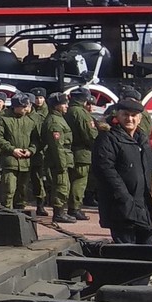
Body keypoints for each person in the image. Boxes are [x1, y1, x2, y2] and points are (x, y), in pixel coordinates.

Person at [92, 99, 152, 244]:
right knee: (127, 248)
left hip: (142, 203)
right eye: (125, 115)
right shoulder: (108, 138)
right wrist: (123, 196)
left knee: (149, 240)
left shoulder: (142, 139)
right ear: (118, 116)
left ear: (140, 118)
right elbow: (105, 169)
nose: (130, 119)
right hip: (121, 205)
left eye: (134, 115)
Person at [0, 92, 38, 212]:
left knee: (22, 191)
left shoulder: (30, 120)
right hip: (10, 161)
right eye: (24, 106)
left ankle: (20, 212)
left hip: (25, 162)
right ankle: (7, 212)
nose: (27, 108)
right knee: (9, 189)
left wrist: (31, 150)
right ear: (16, 107)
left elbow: (36, 140)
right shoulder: (4, 118)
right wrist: (12, 150)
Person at [38, 93, 75, 222]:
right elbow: (57, 146)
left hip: (63, 157)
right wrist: (62, 164)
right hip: (59, 159)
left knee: (64, 185)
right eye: (64, 104)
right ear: (56, 106)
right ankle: (58, 213)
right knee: (61, 185)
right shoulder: (55, 122)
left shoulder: (59, 118)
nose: (66, 106)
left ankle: (61, 211)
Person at [64, 87, 97, 220]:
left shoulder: (68, 111)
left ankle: (72, 206)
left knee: (72, 180)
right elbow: (89, 135)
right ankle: (75, 208)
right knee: (80, 181)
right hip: (82, 152)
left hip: (70, 151)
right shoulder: (82, 113)